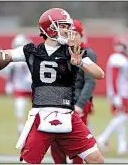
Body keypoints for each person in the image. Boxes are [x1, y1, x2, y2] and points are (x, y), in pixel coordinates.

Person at [0, 8, 104, 163]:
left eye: (68, 27)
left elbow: (99, 74)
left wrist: (80, 62)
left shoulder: (72, 52)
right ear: (50, 28)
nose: (67, 30)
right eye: (63, 26)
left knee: (97, 160)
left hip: (67, 113)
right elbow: (7, 54)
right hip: (41, 114)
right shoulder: (31, 50)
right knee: (29, 162)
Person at [50, 19, 96, 164]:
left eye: (75, 33)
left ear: (81, 36)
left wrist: (81, 104)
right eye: (69, 33)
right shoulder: (60, 52)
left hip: (77, 103)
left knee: (78, 144)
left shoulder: (87, 53)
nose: (72, 36)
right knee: (55, 142)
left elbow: (90, 81)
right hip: (59, 104)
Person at [96, 35, 128, 155]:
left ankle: (122, 146)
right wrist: (116, 95)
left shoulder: (122, 58)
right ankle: (103, 137)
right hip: (119, 93)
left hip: (120, 92)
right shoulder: (117, 58)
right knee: (123, 117)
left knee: (120, 120)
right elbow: (114, 78)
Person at [5, 34, 32, 135]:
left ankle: (35, 125)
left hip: (31, 86)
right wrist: (8, 84)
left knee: (37, 108)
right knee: (19, 105)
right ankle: (20, 126)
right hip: (20, 86)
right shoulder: (12, 58)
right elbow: (10, 73)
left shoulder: (31, 56)